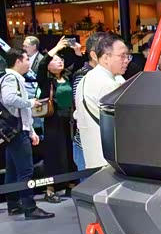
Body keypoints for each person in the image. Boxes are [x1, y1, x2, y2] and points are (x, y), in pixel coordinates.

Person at [0, 48, 55, 220]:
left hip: (15, 130)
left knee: (12, 170)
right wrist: (29, 102)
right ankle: (30, 207)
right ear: (18, 61)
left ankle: (14, 204)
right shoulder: (11, 78)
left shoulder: (11, 78)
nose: (29, 63)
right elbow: (9, 99)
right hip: (17, 131)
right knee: (25, 170)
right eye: (26, 59)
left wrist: (30, 130)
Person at [75, 33, 129, 168]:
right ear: (105, 58)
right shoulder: (108, 85)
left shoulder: (87, 78)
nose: (126, 60)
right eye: (122, 56)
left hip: (94, 157)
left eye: (127, 56)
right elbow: (126, 122)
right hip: (110, 161)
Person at [36, 51, 75, 202]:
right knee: (53, 154)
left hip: (69, 120)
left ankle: (71, 184)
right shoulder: (46, 80)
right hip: (53, 121)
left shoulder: (68, 77)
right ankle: (50, 189)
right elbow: (41, 65)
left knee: (70, 152)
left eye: (61, 59)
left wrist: (76, 50)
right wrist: (56, 48)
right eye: (55, 60)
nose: (60, 62)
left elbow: (77, 62)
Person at [70, 32, 106, 170]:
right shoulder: (83, 76)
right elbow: (81, 110)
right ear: (94, 55)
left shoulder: (108, 75)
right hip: (87, 143)